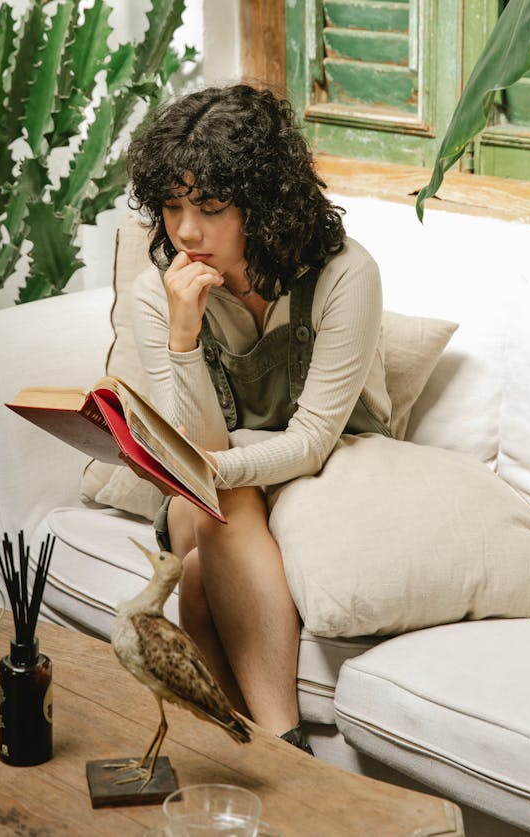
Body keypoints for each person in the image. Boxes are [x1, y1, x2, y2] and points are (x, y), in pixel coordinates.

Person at [127, 83, 392, 752]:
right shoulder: (159, 291)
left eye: (211, 208)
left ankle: (247, 752)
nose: (187, 230)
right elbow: (200, 447)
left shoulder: (344, 275)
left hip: (330, 470)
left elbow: (311, 441)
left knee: (195, 570)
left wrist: (213, 465)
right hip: (220, 487)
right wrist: (183, 337)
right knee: (223, 499)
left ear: (264, 204)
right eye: (173, 205)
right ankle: (286, 743)